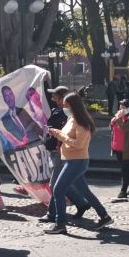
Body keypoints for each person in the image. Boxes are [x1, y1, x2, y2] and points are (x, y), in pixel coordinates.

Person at [46, 93, 114, 234]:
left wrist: (60, 136)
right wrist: (57, 133)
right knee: (85, 192)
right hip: (70, 160)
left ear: (74, 106)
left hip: (76, 161)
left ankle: (60, 224)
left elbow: (79, 144)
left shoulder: (81, 122)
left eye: (66, 105)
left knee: (58, 190)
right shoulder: (72, 118)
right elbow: (68, 136)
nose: (63, 107)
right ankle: (104, 216)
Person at [38, 86, 90, 224]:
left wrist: (55, 136)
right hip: (54, 150)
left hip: (60, 151)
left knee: (56, 184)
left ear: (61, 98)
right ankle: (81, 203)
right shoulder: (56, 111)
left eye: (54, 96)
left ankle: (52, 214)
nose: (52, 99)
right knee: (61, 184)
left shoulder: (67, 115)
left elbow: (66, 134)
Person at [110, 99, 129, 199]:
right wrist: (114, 121)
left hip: (128, 147)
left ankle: (123, 191)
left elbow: (124, 128)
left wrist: (118, 119)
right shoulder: (119, 117)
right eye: (120, 107)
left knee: (125, 169)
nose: (121, 109)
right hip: (117, 146)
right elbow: (113, 128)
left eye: (124, 107)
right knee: (125, 169)